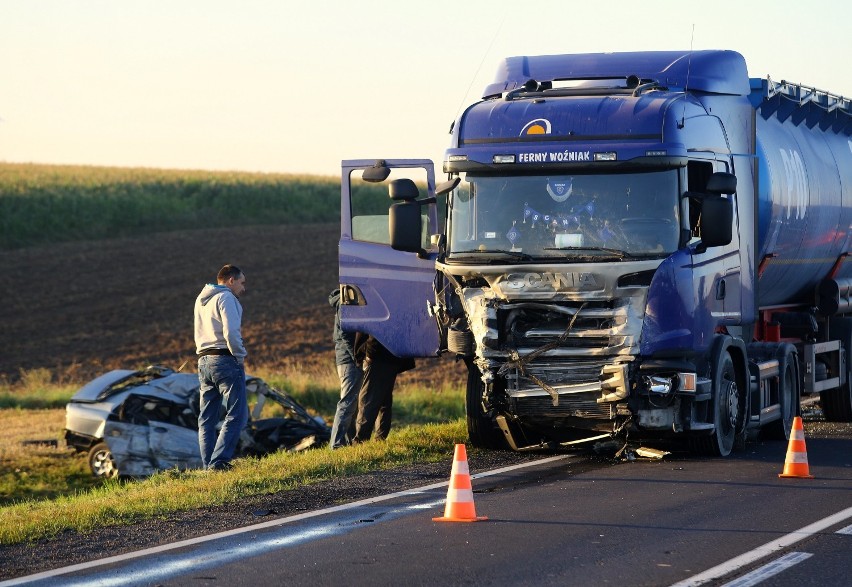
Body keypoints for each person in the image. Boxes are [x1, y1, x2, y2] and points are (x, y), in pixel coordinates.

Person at [193, 264, 248, 471]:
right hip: (224, 360)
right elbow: (232, 332)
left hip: (203, 361)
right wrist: (240, 356)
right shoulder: (226, 298)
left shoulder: (200, 299)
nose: (243, 288)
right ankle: (219, 462)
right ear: (230, 280)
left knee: (206, 418)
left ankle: (209, 464)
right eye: (242, 283)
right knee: (237, 413)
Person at [352, 334, 415, 443]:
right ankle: (380, 439)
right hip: (393, 354)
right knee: (383, 400)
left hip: (378, 355)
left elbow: (377, 328)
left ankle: (360, 441)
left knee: (367, 399)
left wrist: (369, 354)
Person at [328, 288, 363, 449]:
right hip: (348, 360)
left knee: (351, 402)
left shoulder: (342, 302)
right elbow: (346, 334)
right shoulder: (345, 304)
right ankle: (336, 444)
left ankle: (347, 442)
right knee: (347, 402)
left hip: (344, 358)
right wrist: (356, 356)